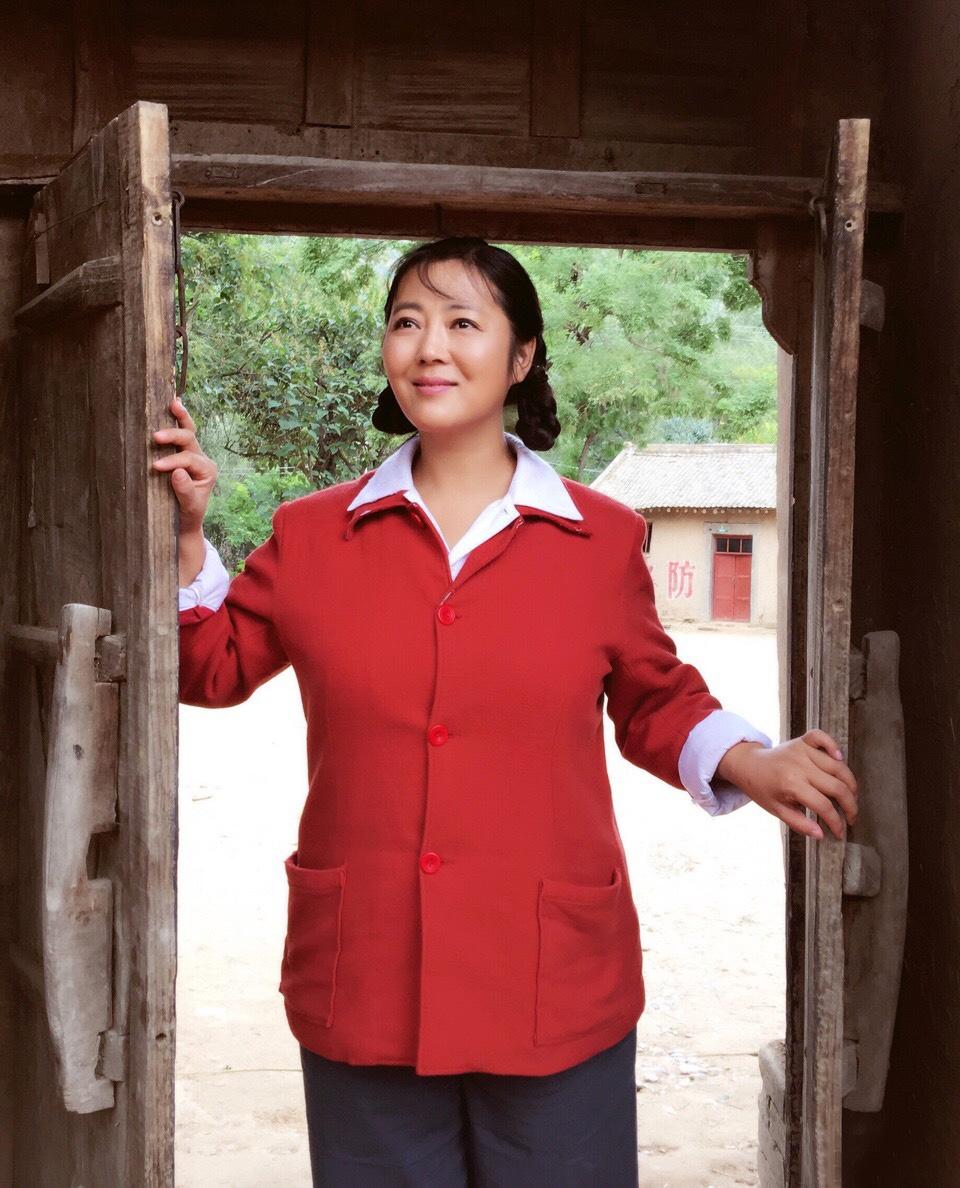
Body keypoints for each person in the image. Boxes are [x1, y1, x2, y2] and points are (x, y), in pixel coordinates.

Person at [152, 236, 858, 1186]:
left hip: (551, 978)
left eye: (462, 323)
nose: (429, 348)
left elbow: (656, 696)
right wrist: (188, 537)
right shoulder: (312, 535)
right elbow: (211, 666)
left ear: (521, 357)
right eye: (407, 323)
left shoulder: (600, 539)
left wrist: (752, 762)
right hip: (367, 974)